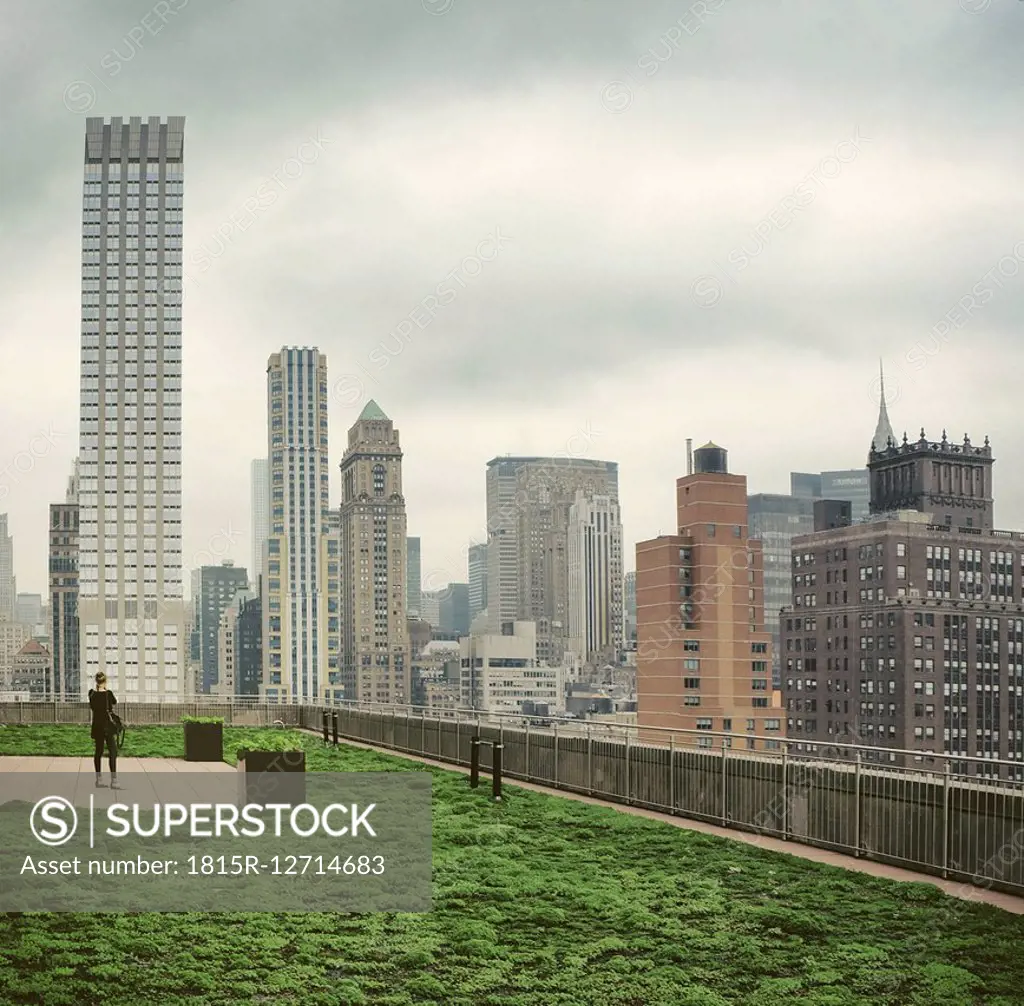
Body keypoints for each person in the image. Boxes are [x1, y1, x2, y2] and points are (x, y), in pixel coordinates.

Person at [88, 672, 118, 788]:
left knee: (98, 752)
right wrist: (106, 689)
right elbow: (114, 702)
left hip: (97, 726)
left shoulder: (91, 694)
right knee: (113, 752)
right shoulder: (108, 694)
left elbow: (93, 706)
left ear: (96, 681)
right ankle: (114, 780)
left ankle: (99, 779)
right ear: (105, 681)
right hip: (107, 726)